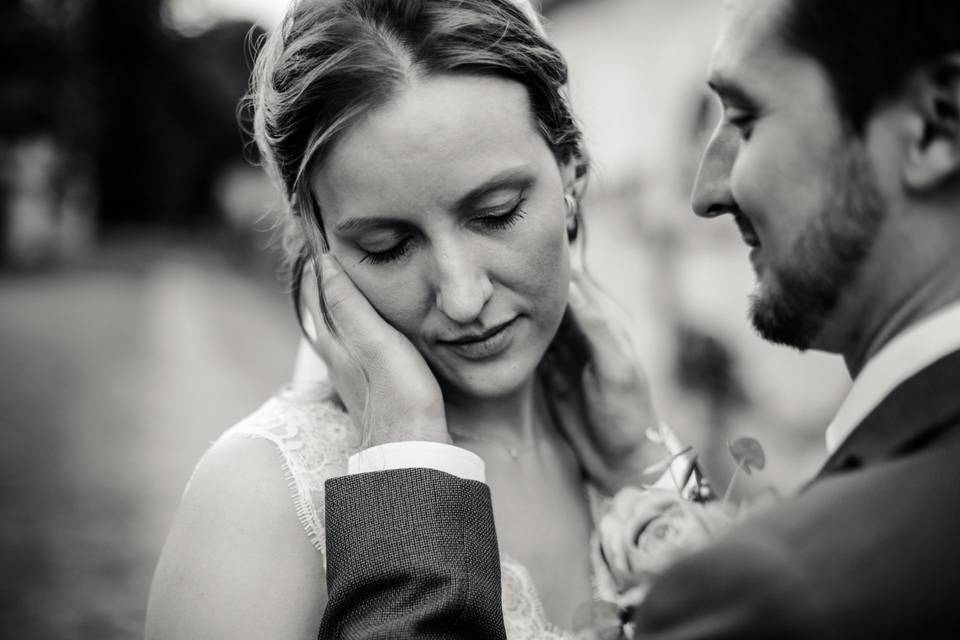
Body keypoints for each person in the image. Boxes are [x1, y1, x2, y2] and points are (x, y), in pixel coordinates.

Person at [314, 0, 960, 637]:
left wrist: (405, 481)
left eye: (746, 118)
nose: (705, 191)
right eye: (386, 247)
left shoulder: (795, 578)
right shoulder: (268, 491)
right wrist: (641, 463)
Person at [145, 1, 683, 638]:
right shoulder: (259, 501)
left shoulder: (639, 444)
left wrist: (649, 470)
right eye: (387, 247)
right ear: (319, 249)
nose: (462, 297)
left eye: (496, 213)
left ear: (572, 172)